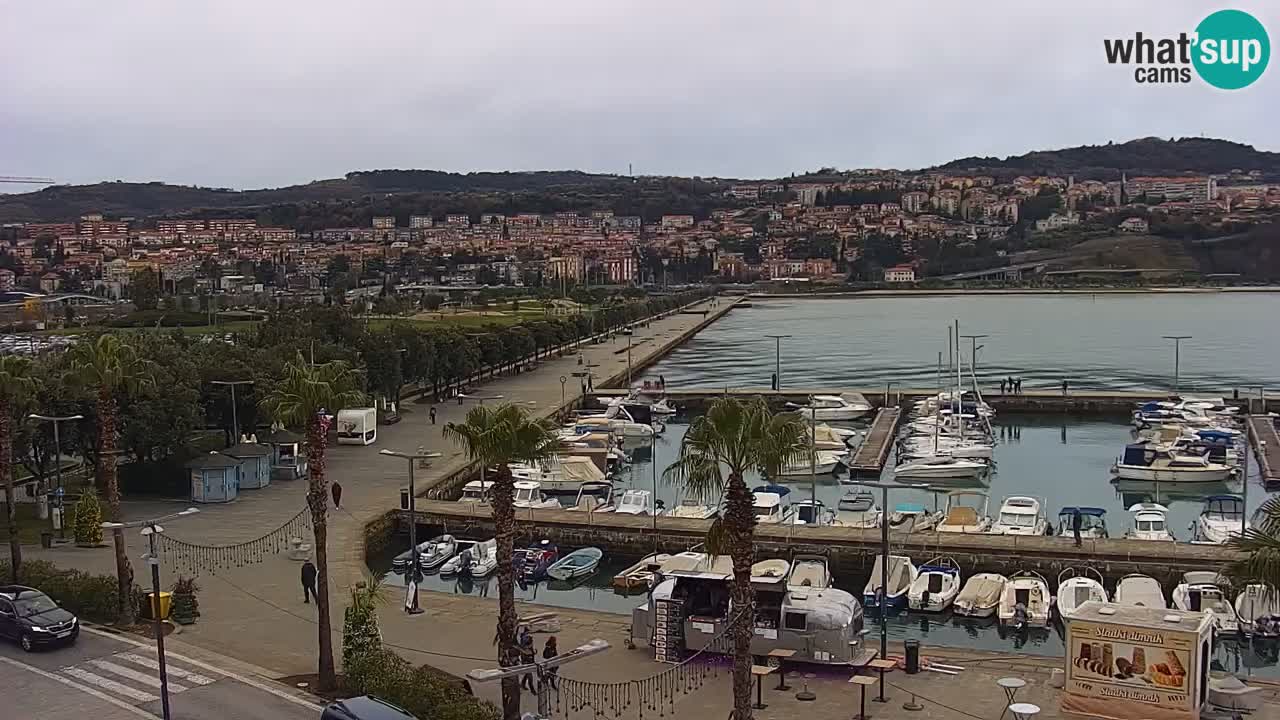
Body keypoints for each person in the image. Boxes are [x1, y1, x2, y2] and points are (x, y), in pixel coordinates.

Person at [518, 627, 537, 692]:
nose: (529, 634)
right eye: (528, 632)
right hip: (526, 659)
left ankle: (523, 683)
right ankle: (532, 689)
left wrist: (533, 652)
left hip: (530, 658)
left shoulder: (528, 638)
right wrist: (530, 646)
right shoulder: (524, 639)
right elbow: (523, 648)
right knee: (529, 675)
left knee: (528, 673)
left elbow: (529, 648)